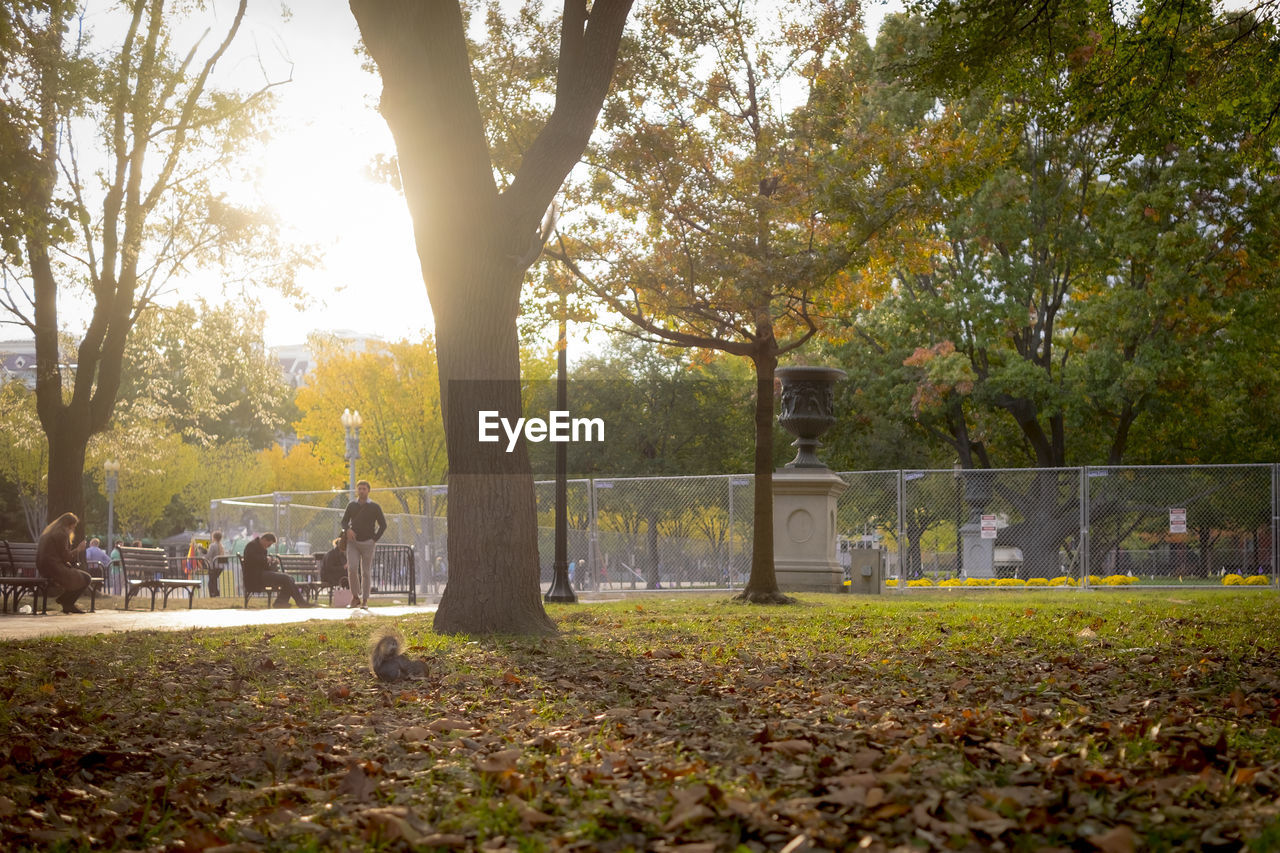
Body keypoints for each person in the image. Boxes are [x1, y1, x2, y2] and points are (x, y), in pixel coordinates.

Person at [340, 480, 387, 609]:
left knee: (366, 572)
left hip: (368, 543)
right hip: (353, 543)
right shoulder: (351, 505)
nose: (361, 491)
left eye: (364, 489)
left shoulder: (375, 507)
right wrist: (347, 530)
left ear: (368, 490)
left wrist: (374, 539)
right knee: (353, 568)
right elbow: (343, 522)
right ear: (357, 490)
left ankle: (365, 600)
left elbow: (383, 525)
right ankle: (355, 597)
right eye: (359, 488)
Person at [36, 512, 92, 614]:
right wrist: (78, 549)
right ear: (69, 525)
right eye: (73, 527)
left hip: (45, 568)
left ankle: (66, 602)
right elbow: (66, 557)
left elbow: (57, 555)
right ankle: (67, 602)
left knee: (79, 576)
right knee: (87, 578)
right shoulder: (61, 534)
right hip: (54, 569)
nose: (73, 530)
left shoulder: (49, 533)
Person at [241, 532, 314, 608]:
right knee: (286, 578)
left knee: (290, 578)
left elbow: (263, 565)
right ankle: (300, 603)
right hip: (254, 577)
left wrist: (272, 562)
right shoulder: (252, 546)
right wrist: (266, 559)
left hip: (261, 575)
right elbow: (252, 560)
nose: (269, 547)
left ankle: (281, 602)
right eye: (269, 544)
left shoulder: (261, 548)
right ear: (264, 540)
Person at [205, 531, 226, 597]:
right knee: (214, 581)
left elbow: (208, 556)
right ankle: (216, 593)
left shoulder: (213, 545)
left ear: (214, 537)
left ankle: (213, 594)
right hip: (220, 567)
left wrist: (201, 554)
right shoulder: (221, 546)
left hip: (213, 567)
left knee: (211, 582)